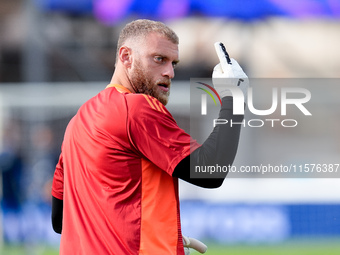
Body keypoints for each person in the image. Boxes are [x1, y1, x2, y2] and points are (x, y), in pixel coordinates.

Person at [51, 19, 247, 254]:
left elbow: (59, 220)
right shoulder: (135, 108)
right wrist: (233, 98)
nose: (170, 72)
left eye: (173, 62)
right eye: (159, 59)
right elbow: (210, 171)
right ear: (126, 57)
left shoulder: (77, 123)